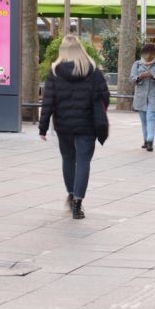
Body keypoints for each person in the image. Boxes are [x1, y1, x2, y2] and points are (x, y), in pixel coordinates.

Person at [39, 35, 109, 219]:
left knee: (68, 159)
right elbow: (105, 96)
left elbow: (48, 101)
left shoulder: (55, 72)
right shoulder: (93, 71)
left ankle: (71, 194)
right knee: (83, 161)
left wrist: (43, 127)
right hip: (87, 124)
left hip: (63, 124)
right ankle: (78, 202)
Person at [130, 44, 155, 152]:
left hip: (154, 96)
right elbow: (132, 79)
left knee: (150, 118)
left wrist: (153, 75)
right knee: (144, 120)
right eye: (147, 53)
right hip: (141, 97)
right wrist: (140, 77)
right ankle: (146, 140)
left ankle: (150, 140)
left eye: (151, 53)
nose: (149, 55)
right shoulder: (136, 64)